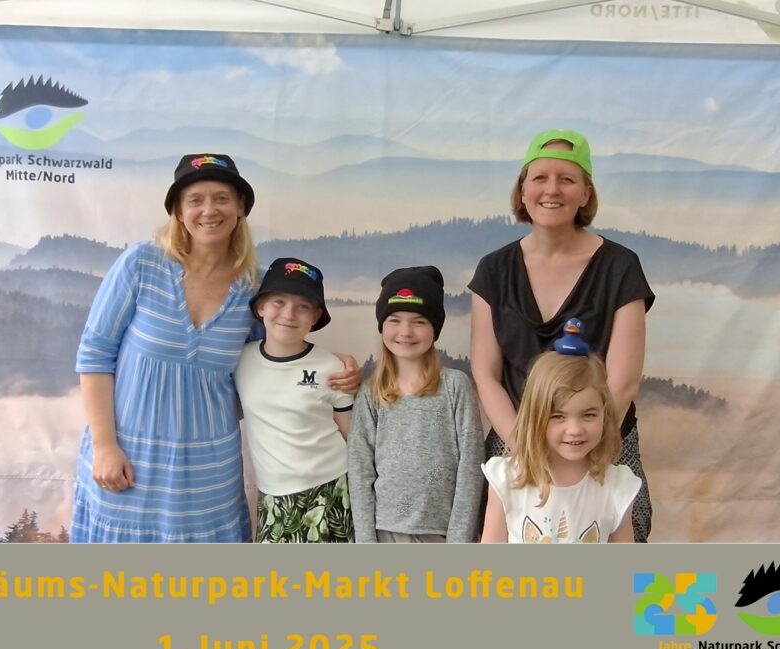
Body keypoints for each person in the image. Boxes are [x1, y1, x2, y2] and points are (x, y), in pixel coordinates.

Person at [71, 154, 359, 543]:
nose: (209, 210)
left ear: (240, 208)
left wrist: (337, 364)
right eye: (196, 200)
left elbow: (275, 361)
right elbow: (95, 354)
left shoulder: (254, 288)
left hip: (208, 473)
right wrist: (105, 445)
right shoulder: (141, 264)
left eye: (222, 198)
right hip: (129, 459)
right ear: (178, 210)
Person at [469, 130, 655, 541]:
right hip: (516, 442)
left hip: (601, 439)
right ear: (522, 191)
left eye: (567, 179)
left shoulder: (620, 267)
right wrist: (527, 447)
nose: (551, 190)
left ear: (585, 194)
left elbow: (623, 381)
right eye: (540, 178)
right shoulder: (493, 270)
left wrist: (585, 441)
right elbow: (486, 374)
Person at [347, 266, 485, 543]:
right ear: (382, 326)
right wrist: (366, 541)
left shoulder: (455, 386)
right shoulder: (371, 393)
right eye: (394, 320)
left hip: (442, 533)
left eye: (419, 321)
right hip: (384, 533)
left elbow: (471, 465)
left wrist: (460, 539)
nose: (406, 331)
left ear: (435, 328)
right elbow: (360, 470)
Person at [235, 257, 355, 543]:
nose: (288, 314)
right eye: (278, 302)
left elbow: (351, 435)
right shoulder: (240, 360)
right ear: (261, 307)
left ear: (315, 316)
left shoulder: (332, 367)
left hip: (332, 490)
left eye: (302, 306)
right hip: (272, 496)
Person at [480, 351, 640, 543]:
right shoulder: (507, 479)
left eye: (588, 415)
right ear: (535, 418)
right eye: (558, 417)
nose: (575, 430)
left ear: (604, 416)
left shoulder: (617, 486)